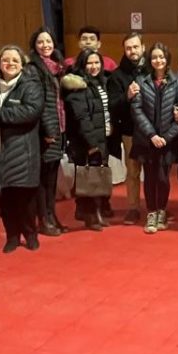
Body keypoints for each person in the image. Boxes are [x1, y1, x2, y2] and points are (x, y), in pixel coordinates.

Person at [0, 46, 44, 253]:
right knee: (5, 199)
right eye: (6, 60)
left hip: (22, 150)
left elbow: (29, 112)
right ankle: (12, 236)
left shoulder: (31, 86)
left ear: (22, 65)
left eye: (15, 60)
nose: (10, 63)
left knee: (25, 198)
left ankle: (30, 234)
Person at [130, 42, 178, 234]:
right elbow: (137, 111)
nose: (158, 60)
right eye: (154, 57)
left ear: (167, 59)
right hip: (147, 139)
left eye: (161, 57)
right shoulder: (141, 81)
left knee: (163, 178)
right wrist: (152, 135)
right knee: (150, 177)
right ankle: (151, 212)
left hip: (167, 141)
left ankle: (162, 210)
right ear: (149, 59)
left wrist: (167, 137)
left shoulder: (177, 81)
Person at [62, 50, 114, 231]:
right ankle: (90, 214)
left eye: (97, 63)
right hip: (87, 141)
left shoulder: (102, 82)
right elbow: (82, 118)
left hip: (102, 137)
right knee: (89, 179)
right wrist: (92, 144)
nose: (94, 67)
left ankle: (95, 212)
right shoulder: (78, 85)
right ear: (82, 65)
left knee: (97, 178)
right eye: (89, 63)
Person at [26, 27, 68, 237]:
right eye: (40, 42)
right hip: (47, 130)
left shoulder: (58, 68)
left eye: (49, 41)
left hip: (59, 128)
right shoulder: (33, 69)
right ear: (34, 46)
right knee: (43, 179)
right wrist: (48, 130)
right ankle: (43, 218)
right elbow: (39, 103)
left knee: (52, 177)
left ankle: (51, 215)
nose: (45, 45)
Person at [109, 32, 148, 225]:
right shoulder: (117, 75)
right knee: (132, 171)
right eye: (128, 48)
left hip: (152, 132)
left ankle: (156, 206)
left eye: (135, 47)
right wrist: (127, 96)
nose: (132, 51)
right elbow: (113, 105)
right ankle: (133, 208)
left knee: (153, 172)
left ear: (143, 47)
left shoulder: (153, 69)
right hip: (130, 131)